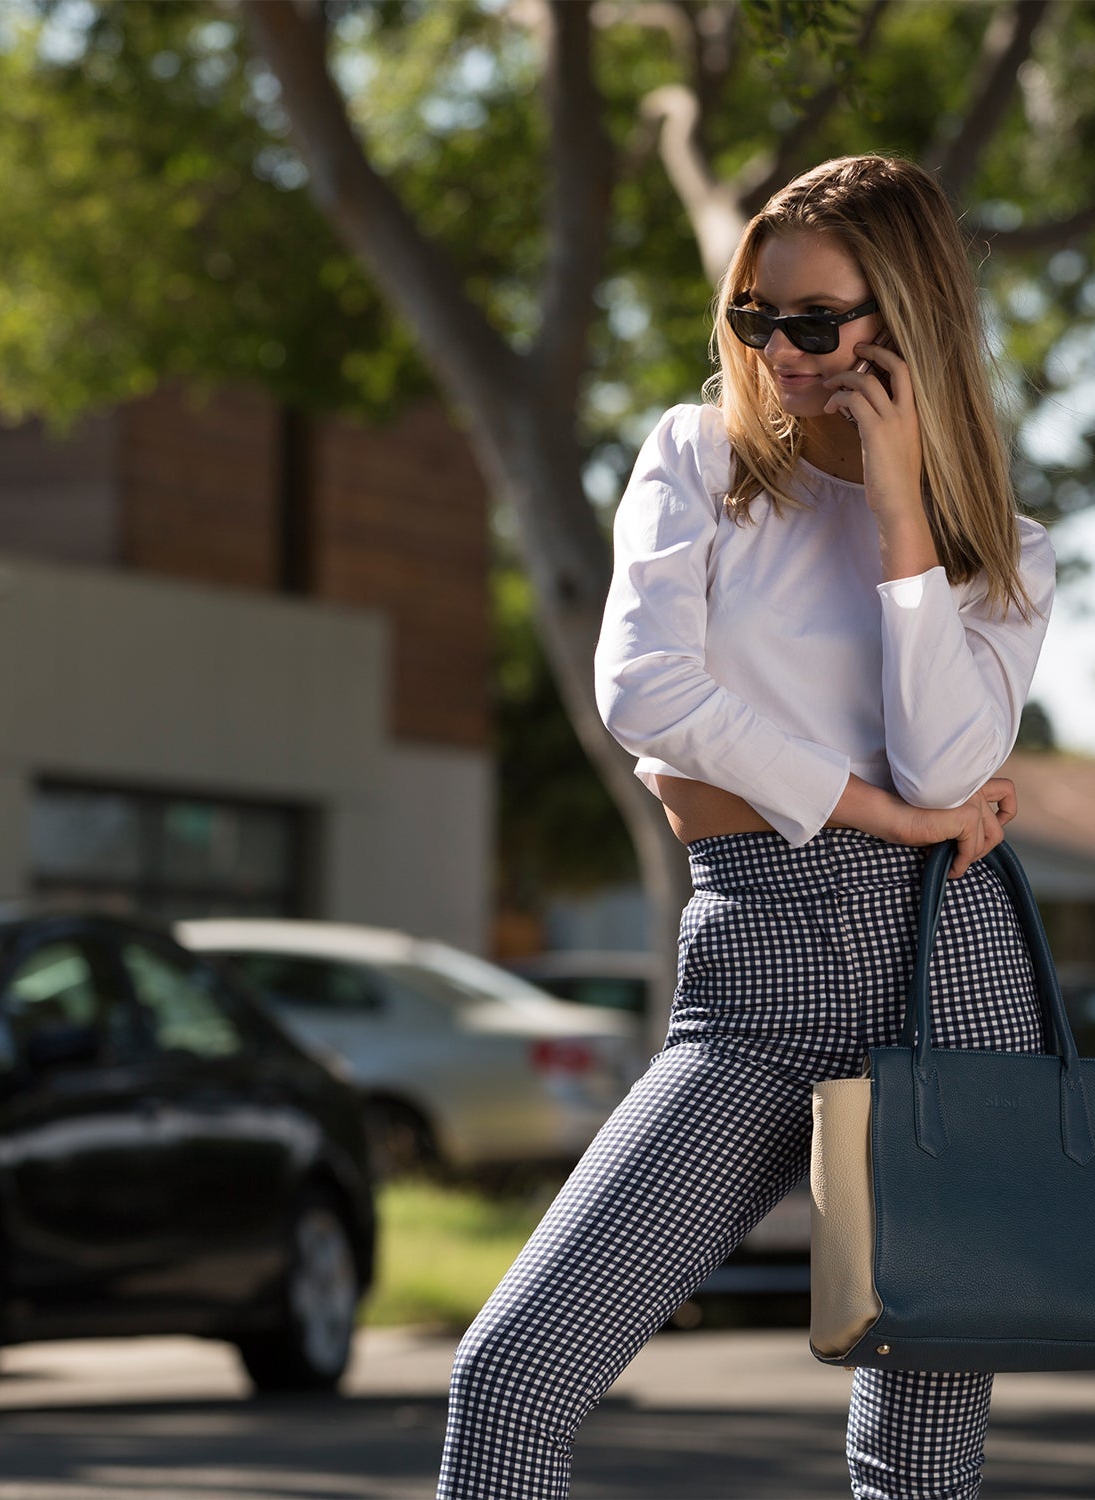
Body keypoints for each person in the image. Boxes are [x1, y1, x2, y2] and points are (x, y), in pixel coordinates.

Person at [436, 153, 1056, 1500]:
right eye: (755, 317)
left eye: (814, 321)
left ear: (906, 322)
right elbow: (639, 690)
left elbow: (957, 756)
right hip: (758, 972)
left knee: (915, 1469)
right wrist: (874, 803)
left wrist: (903, 518)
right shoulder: (699, 459)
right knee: (508, 1386)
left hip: (947, 985)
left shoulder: (1004, 551)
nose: (778, 350)